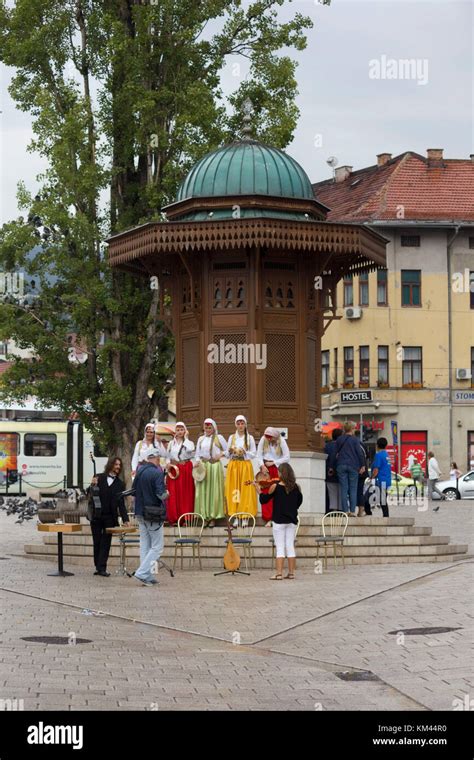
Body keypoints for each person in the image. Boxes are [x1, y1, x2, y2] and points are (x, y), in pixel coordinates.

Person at [256, 463, 302, 580]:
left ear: (281, 473)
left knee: (280, 547)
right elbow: (298, 503)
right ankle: (291, 573)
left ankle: (279, 573)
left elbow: (264, 500)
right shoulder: (296, 487)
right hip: (291, 521)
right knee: (290, 546)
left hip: (279, 521)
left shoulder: (275, 487)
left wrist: (259, 491)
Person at [132, 449, 168, 586]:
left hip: (140, 511)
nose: (159, 460)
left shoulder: (140, 471)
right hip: (152, 514)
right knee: (157, 547)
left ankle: (147, 576)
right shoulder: (157, 473)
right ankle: (142, 573)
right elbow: (161, 495)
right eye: (159, 457)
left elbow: (134, 490)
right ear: (156, 458)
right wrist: (167, 493)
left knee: (145, 545)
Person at [89, 457, 129, 577]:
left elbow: (121, 504)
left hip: (110, 517)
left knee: (106, 543)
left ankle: (102, 568)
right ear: (111, 465)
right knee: (97, 541)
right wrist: (92, 485)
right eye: (116, 464)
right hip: (96, 515)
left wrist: (126, 519)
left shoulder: (120, 484)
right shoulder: (99, 477)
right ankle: (97, 566)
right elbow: (90, 493)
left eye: (119, 465)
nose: (118, 467)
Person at [194, 418, 228, 528]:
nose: (208, 429)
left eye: (210, 427)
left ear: (214, 428)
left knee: (214, 491)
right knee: (203, 491)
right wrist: (197, 462)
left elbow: (228, 450)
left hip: (214, 466)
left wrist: (221, 454)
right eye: (206, 427)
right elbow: (197, 454)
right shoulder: (201, 439)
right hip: (204, 466)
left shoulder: (219, 438)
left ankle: (213, 517)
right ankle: (205, 516)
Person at [256, 427, 291, 526]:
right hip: (266, 469)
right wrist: (261, 465)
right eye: (267, 437)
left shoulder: (281, 441)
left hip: (278, 469)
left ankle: (278, 516)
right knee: (266, 492)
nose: (269, 439)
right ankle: (268, 518)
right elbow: (258, 455)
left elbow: (287, 457)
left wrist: (274, 462)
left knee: (278, 492)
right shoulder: (264, 439)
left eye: (270, 437)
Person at [225, 415, 257, 517]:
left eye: (242, 423)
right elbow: (227, 453)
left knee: (245, 490)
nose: (240, 426)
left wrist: (244, 452)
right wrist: (230, 451)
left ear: (245, 424)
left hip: (245, 466)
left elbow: (253, 453)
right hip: (234, 466)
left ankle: (244, 514)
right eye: (238, 423)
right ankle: (234, 514)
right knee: (235, 490)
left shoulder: (250, 438)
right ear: (235, 425)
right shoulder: (231, 437)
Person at [165, 422, 195, 525]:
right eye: (178, 430)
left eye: (182, 429)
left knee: (185, 492)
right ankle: (174, 517)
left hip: (185, 469)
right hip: (174, 469)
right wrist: (168, 464)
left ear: (185, 431)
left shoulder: (189, 442)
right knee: (173, 493)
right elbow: (167, 456)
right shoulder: (171, 443)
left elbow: (190, 450)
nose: (179, 432)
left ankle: (185, 517)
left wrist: (186, 438)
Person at [335, 421, 366, 516]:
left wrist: (332, 466)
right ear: (352, 429)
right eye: (354, 428)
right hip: (353, 466)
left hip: (341, 465)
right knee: (353, 489)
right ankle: (352, 511)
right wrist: (363, 465)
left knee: (344, 489)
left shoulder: (339, 439)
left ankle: (345, 511)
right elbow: (360, 454)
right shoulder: (355, 440)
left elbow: (335, 453)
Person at [369, 437, 392, 518]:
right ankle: (385, 515)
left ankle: (386, 516)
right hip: (387, 479)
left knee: (381, 499)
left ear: (377, 445)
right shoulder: (387, 455)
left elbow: (376, 469)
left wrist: (371, 477)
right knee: (383, 498)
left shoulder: (378, 455)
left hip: (381, 480)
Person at [324, 428, 342, 512]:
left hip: (329, 472)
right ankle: (341, 509)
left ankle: (333, 509)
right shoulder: (342, 445)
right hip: (341, 472)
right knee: (341, 491)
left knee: (332, 492)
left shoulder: (327, 446)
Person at [355, 430, 369, 517]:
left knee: (352, 491)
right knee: (360, 491)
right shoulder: (362, 444)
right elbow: (367, 456)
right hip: (363, 472)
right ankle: (360, 511)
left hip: (355, 470)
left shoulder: (352, 444)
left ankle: (351, 511)